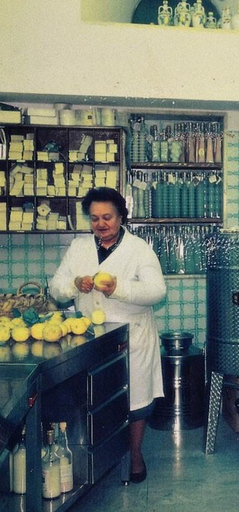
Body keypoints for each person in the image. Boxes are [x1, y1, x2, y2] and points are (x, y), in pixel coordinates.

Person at [50, 187, 166, 484]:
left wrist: (119, 288)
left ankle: (136, 454)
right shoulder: (78, 247)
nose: (101, 224)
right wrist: (75, 284)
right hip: (89, 337)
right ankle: (99, 457)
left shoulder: (138, 248)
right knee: (95, 400)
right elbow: (56, 289)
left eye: (108, 217)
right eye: (95, 218)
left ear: (121, 216)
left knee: (136, 401)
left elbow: (157, 291)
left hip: (132, 336)